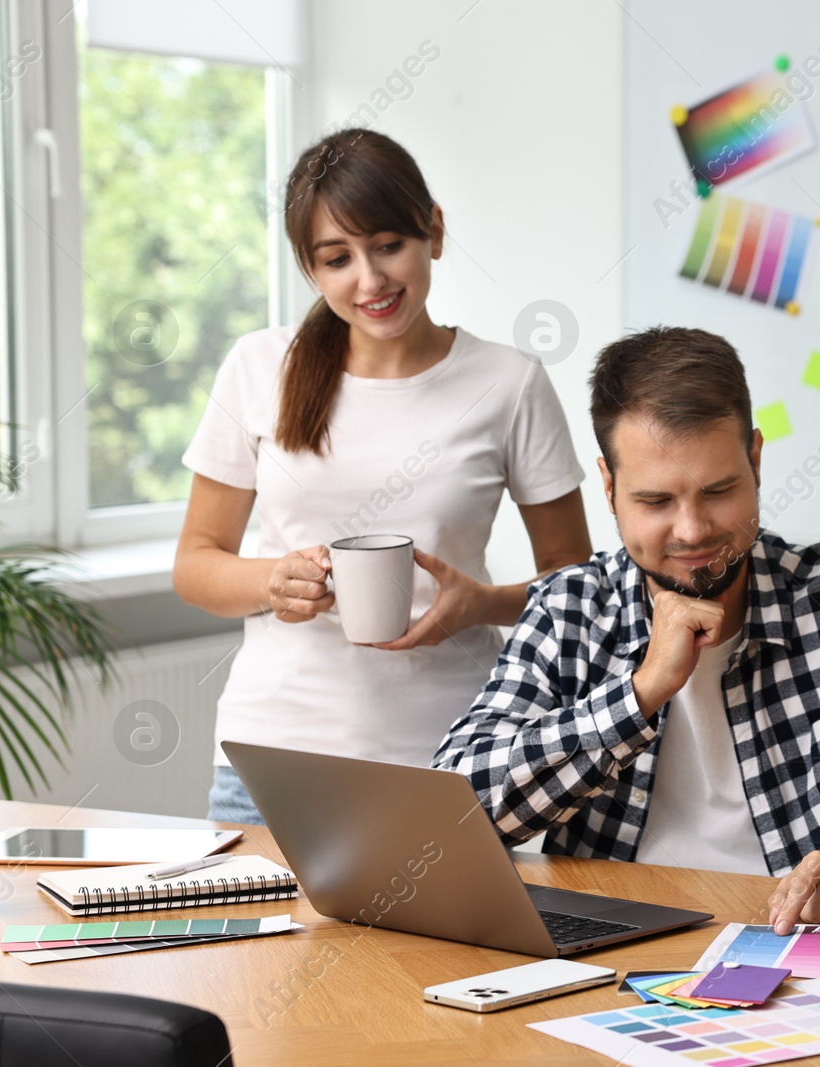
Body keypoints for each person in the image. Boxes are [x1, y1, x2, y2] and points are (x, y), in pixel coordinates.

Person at [433, 326, 820, 930]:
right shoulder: (570, 608)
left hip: (804, 947)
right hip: (612, 949)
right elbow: (449, 812)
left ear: (757, 461)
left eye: (718, 491)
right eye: (656, 502)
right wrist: (636, 696)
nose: (691, 531)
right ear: (609, 488)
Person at [175, 129, 592, 824]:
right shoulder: (257, 367)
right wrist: (269, 580)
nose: (369, 282)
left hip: (452, 758)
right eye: (337, 259)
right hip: (271, 763)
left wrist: (481, 603)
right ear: (310, 269)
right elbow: (195, 564)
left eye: (388, 246)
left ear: (432, 230)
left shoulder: (509, 382)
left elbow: (576, 583)